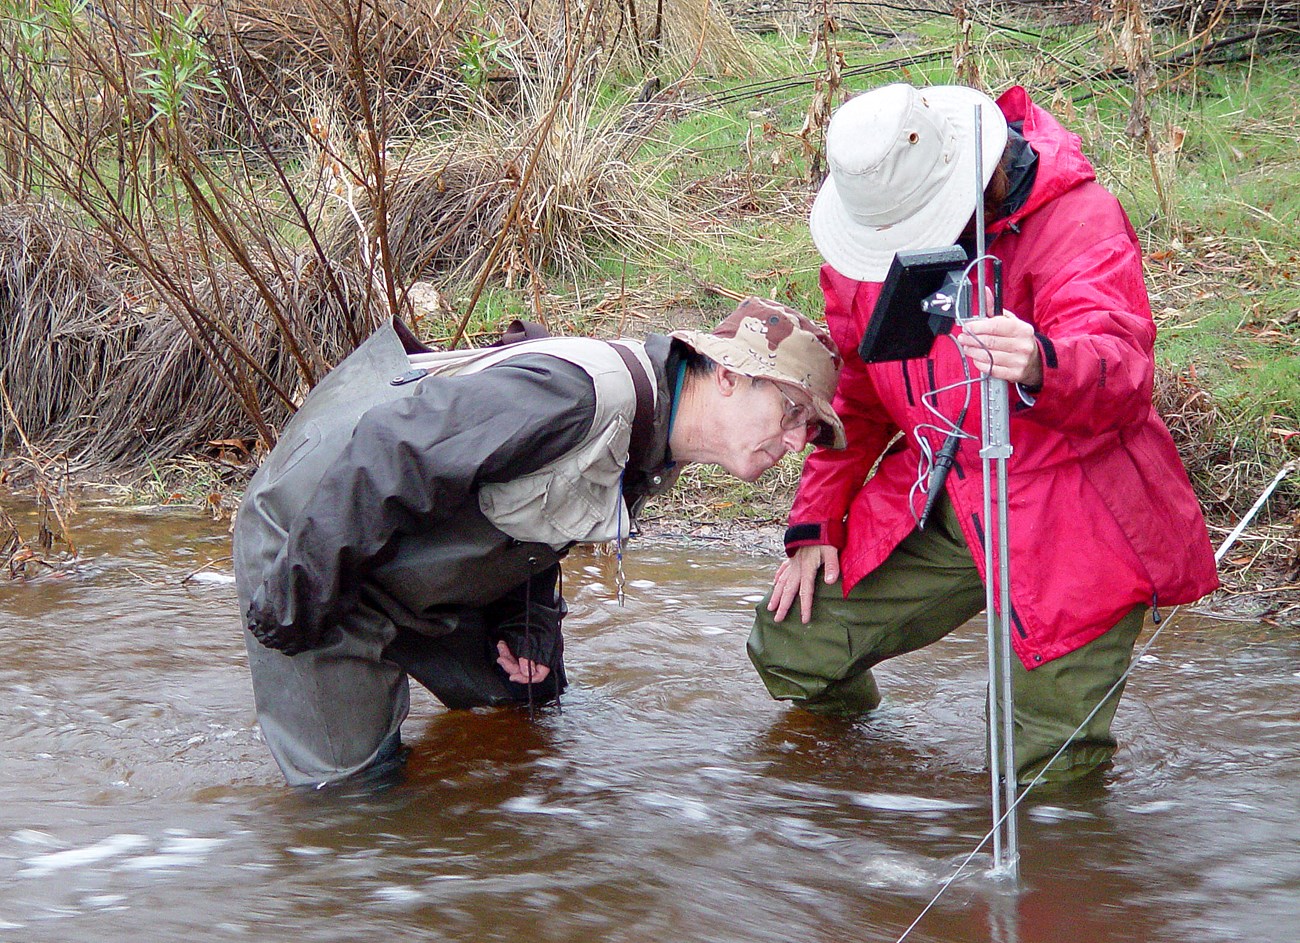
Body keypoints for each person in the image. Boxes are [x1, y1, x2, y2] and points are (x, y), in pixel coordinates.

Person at [747, 83, 1220, 785]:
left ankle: (1063, 877)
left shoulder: (1076, 217)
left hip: (1074, 513)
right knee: (790, 644)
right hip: (947, 489)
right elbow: (858, 391)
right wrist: (816, 518)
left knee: (1037, 775)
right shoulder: (867, 243)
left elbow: (1122, 371)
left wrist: (1040, 362)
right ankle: (858, 793)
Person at [234, 296, 845, 787]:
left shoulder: (656, 439)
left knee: (526, 698)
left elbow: (529, 511)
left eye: (811, 430)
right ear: (732, 377)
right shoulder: (578, 395)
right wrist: (296, 595)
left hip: (398, 553)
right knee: (354, 803)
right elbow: (391, 451)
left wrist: (529, 625)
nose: (796, 442)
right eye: (792, 412)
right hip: (311, 543)